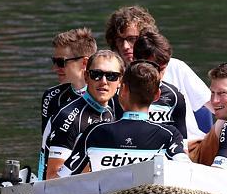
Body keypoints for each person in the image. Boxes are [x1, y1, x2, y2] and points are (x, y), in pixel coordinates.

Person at [57, 60, 189, 177]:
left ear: (123, 89)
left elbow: (62, 177)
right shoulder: (170, 134)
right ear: (157, 95)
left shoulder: (94, 132)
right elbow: (188, 171)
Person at [105, 6, 213, 139]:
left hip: (190, 146)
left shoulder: (176, 67)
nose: (125, 46)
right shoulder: (110, 77)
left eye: (132, 39)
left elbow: (216, 106)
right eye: (120, 40)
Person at [39, 50, 124, 179]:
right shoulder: (68, 116)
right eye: (96, 74)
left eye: (111, 76)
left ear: (120, 81)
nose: (103, 81)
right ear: (86, 77)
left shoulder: (108, 111)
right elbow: (53, 177)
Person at [131, 29, 188, 140]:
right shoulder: (118, 94)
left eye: (162, 69)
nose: (156, 76)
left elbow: (182, 142)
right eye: (152, 68)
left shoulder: (175, 97)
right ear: (134, 60)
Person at [41, 28, 97, 135]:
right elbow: (45, 145)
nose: (55, 68)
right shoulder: (50, 97)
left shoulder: (111, 95)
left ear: (84, 63)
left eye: (61, 62)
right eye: (54, 61)